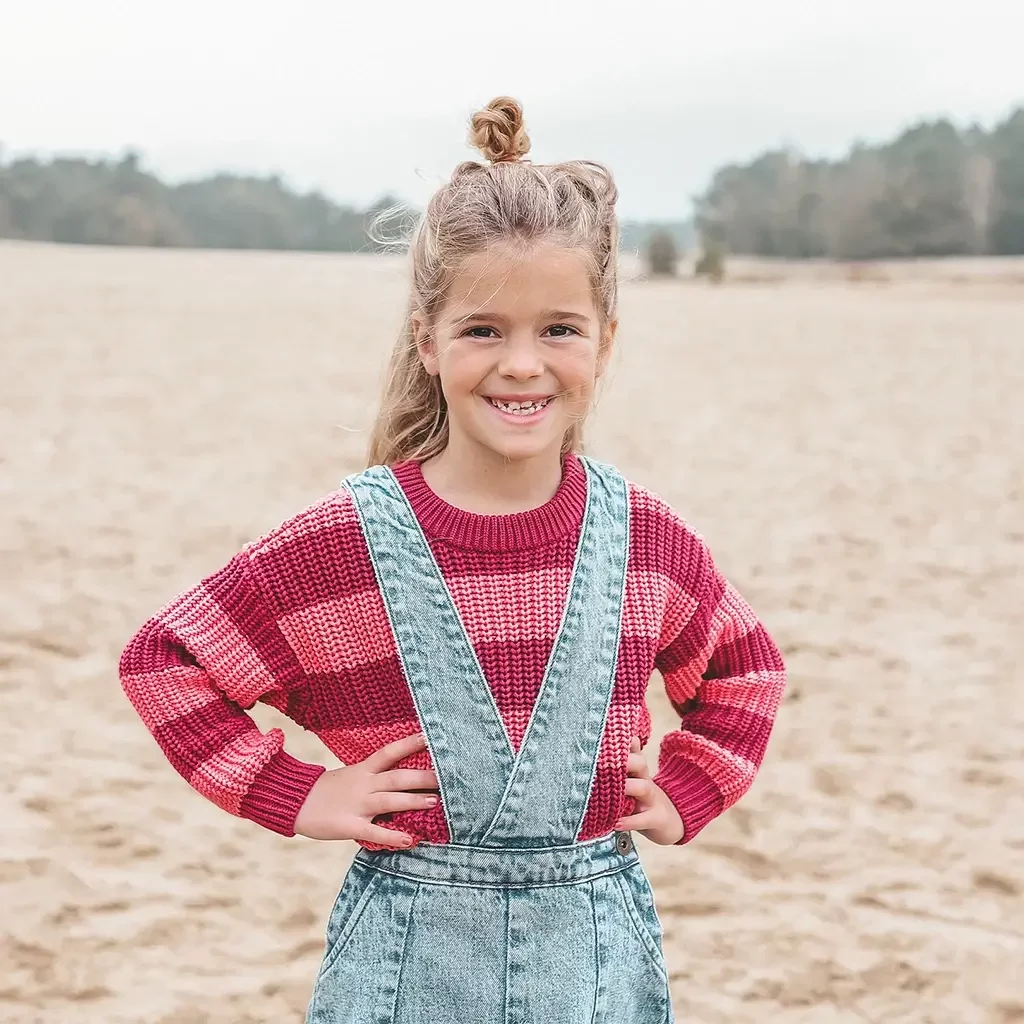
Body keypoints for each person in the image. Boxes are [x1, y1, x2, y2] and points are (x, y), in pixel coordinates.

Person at [119, 96, 787, 1024]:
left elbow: (745, 668)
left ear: (604, 342)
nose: (522, 364)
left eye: (559, 328)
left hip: (598, 970)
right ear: (428, 343)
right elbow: (166, 660)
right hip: (405, 968)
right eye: (484, 331)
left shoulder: (647, 543)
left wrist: (689, 786)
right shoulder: (340, 544)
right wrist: (300, 792)